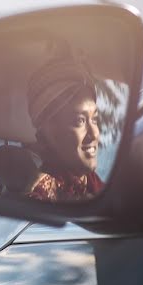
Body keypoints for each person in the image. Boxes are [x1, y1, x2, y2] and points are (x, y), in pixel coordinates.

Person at [24, 55, 104, 202]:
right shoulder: (41, 196)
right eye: (80, 120)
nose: (94, 134)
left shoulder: (90, 181)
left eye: (95, 119)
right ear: (48, 134)